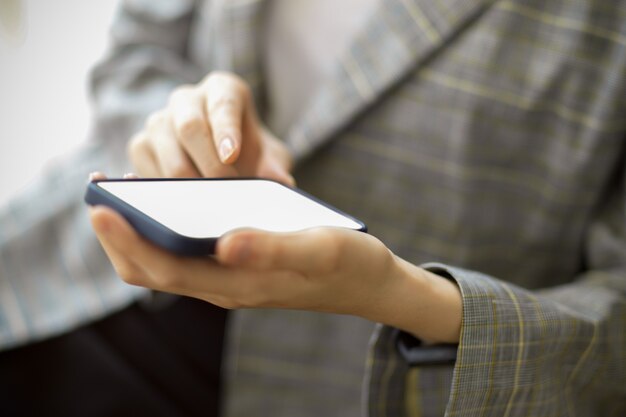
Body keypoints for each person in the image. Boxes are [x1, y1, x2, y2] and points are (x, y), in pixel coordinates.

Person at [4, 1, 626, 417]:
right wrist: (177, 128)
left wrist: (404, 294)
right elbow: (138, 51)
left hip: (365, 382)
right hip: (68, 294)